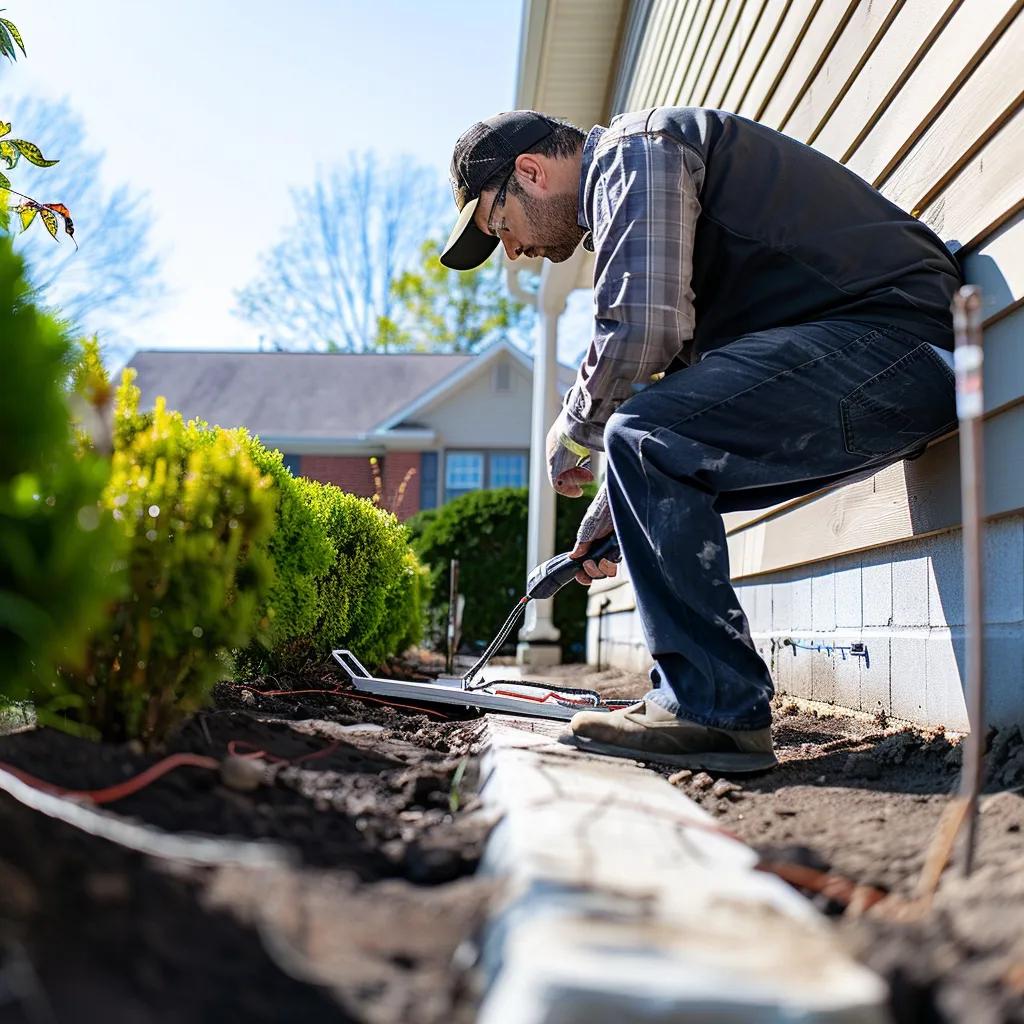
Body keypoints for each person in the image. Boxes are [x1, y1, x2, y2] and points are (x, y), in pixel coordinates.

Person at [438, 108, 960, 772]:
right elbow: (681, 389)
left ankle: (711, 708)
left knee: (644, 434)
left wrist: (572, 430)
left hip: (900, 347)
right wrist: (621, 507)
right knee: (649, 440)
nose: (513, 251)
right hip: (885, 364)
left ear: (530, 172)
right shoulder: (636, 194)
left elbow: (641, 328)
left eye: (500, 226)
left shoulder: (637, 150)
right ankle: (705, 705)